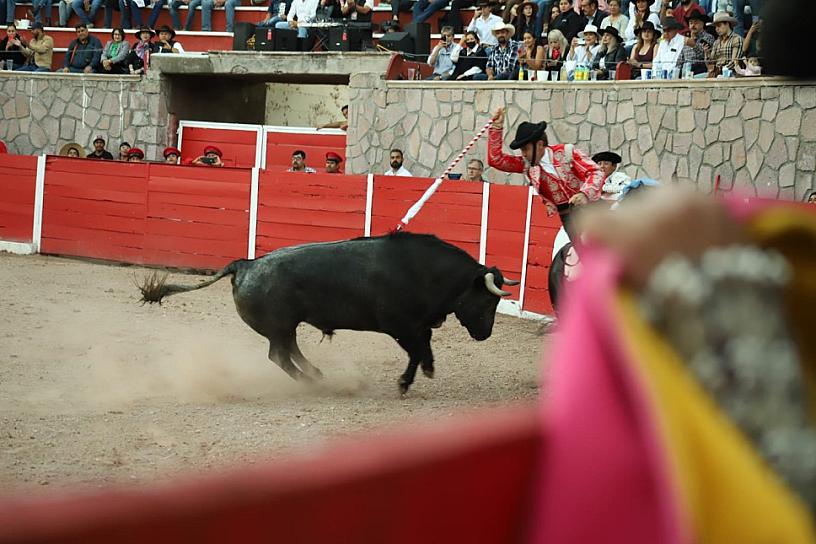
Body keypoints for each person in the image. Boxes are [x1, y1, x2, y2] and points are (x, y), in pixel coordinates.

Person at [488, 107, 603, 241]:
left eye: (526, 149)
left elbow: (596, 171)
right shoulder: (527, 165)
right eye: (522, 150)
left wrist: (584, 193)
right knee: (586, 257)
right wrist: (496, 127)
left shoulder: (566, 152)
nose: (523, 154)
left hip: (594, 208)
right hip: (569, 218)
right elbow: (496, 160)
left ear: (540, 144)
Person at [675, 10, 712, 77]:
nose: (693, 25)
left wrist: (694, 45)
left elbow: (706, 57)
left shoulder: (708, 37)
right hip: (686, 72)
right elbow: (680, 60)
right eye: (691, 23)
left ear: (702, 24)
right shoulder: (687, 40)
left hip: (701, 72)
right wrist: (676, 74)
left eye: (696, 23)